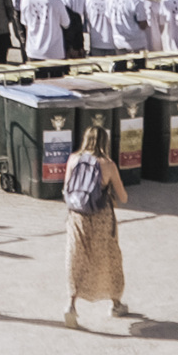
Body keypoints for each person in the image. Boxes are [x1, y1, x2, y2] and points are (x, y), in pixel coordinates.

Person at [59, 115, 135, 327]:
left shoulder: (73, 159)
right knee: (109, 258)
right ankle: (116, 303)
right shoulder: (108, 164)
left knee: (77, 258)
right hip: (101, 217)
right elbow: (124, 197)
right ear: (104, 142)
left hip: (76, 217)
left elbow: (66, 189)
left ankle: (71, 305)